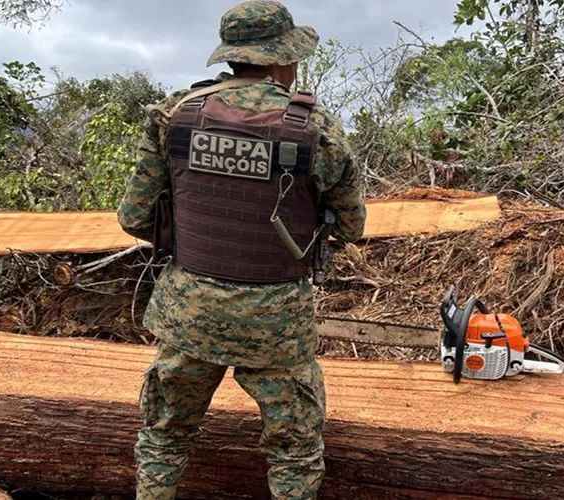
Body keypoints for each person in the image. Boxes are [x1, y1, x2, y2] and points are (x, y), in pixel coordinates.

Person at [116, 1, 366, 498]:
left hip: (189, 314)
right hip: (276, 320)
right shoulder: (319, 130)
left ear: (231, 56)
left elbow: (134, 218)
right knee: (294, 449)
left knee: (164, 437)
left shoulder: (176, 116)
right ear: (283, 60)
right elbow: (353, 226)